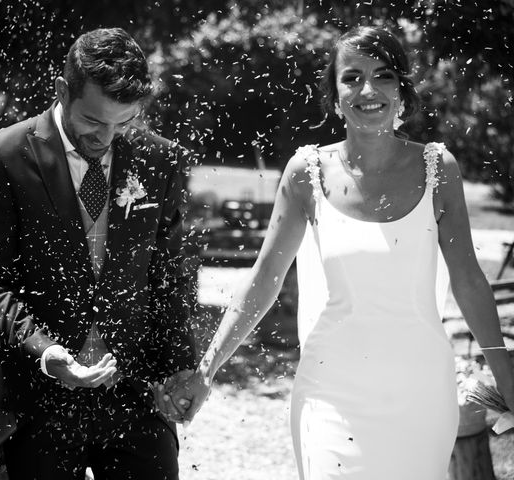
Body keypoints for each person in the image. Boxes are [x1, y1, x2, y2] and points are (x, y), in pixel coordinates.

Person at [167, 26, 514, 480]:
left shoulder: (438, 169)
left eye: (383, 75)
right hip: (329, 391)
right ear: (334, 96)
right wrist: (206, 369)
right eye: (351, 77)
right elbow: (264, 278)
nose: (367, 89)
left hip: (420, 392)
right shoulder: (306, 173)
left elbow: (469, 281)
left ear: (402, 93)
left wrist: (504, 372)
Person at [0, 27, 196, 480]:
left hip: (132, 391)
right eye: (93, 121)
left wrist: (181, 368)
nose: (107, 137)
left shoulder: (159, 160)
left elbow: (170, 276)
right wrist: (48, 353)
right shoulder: (5, 154)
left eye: (123, 122)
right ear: (62, 91)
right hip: (37, 395)